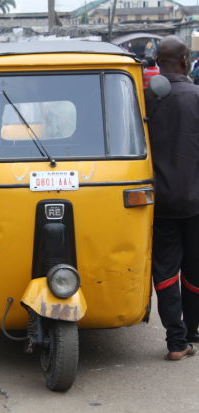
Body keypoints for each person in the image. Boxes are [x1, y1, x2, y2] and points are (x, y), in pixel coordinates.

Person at [145, 35, 199, 361]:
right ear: (184, 59)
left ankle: (176, 342)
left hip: (160, 203)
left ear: (157, 62)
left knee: (165, 271)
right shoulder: (197, 96)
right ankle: (192, 328)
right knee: (195, 270)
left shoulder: (145, 99)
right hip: (195, 201)